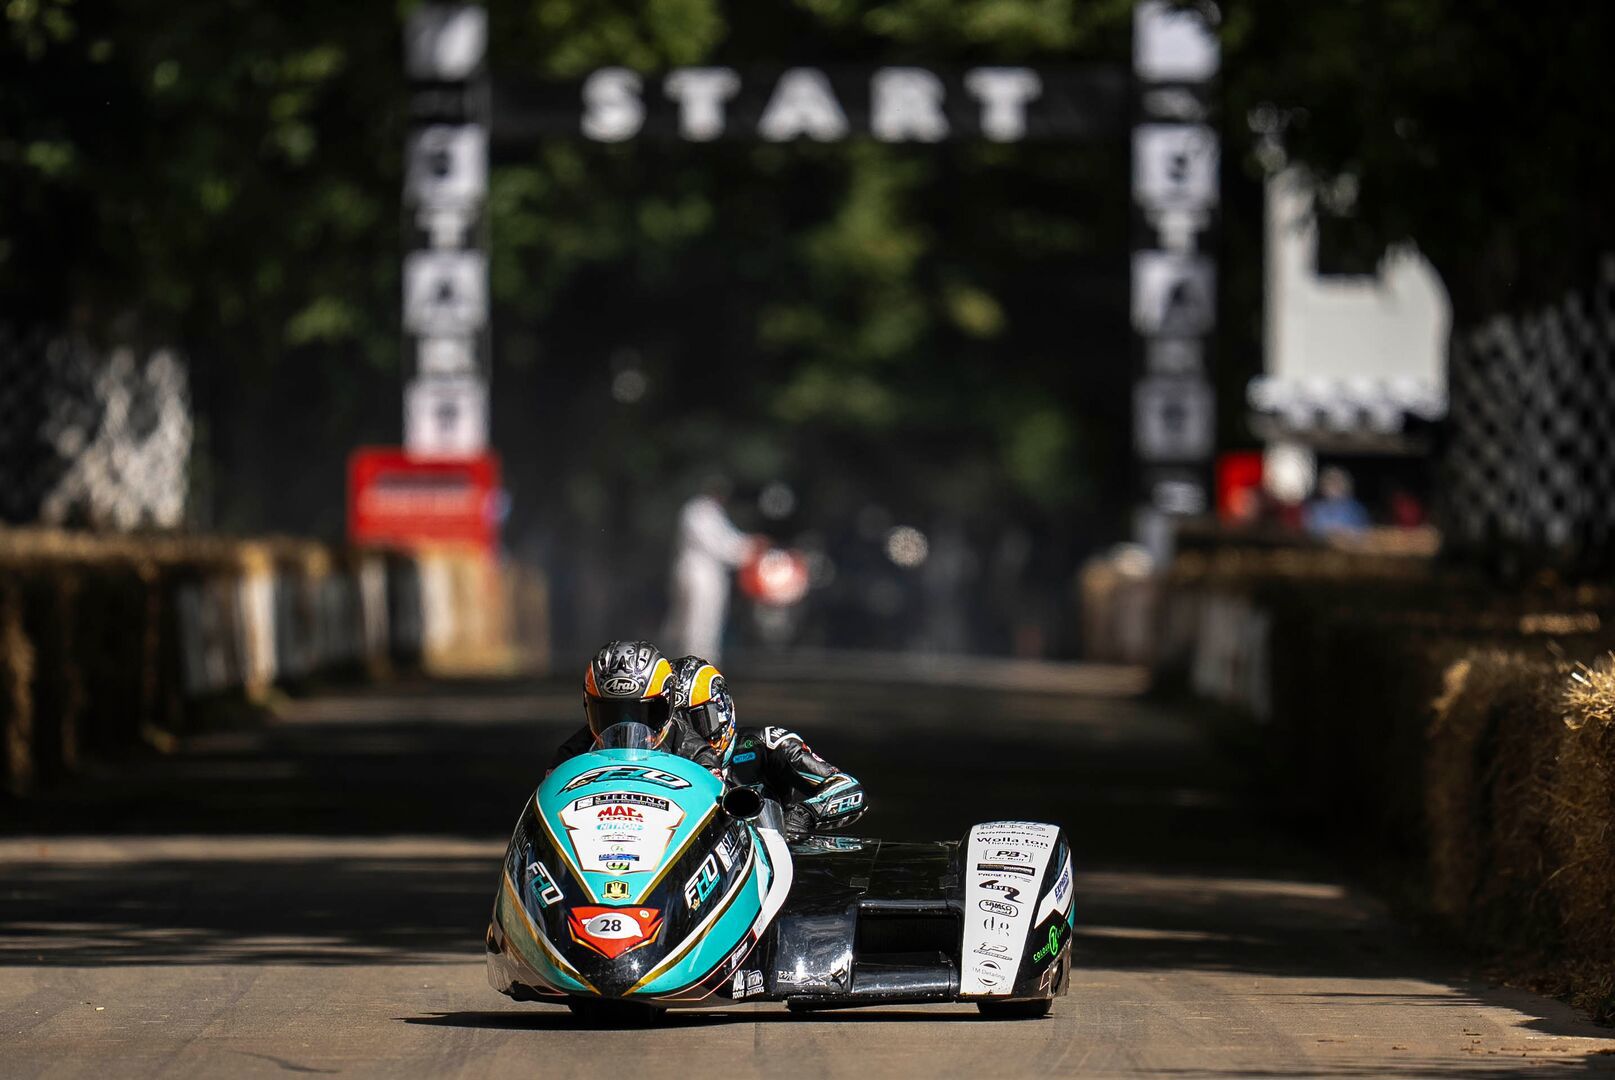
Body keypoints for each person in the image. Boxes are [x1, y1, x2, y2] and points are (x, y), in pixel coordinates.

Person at [549, 640, 866, 838]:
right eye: (678, 719)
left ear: (721, 708)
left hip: (772, 862)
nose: (691, 731)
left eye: (697, 718)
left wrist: (804, 815)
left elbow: (848, 788)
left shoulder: (767, 745)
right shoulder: (659, 753)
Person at [662, 477, 761, 664]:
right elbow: (720, 546)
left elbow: (728, 539)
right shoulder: (699, 511)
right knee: (698, 624)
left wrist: (750, 544)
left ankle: (691, 664)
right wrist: (749, 549)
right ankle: (693, 667)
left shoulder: (711, 513)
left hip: (702, 573)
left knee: (697, 623)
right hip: (700, 574)